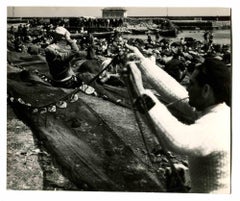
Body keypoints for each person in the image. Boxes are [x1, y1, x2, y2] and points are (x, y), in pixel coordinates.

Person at [124, 44, 231, 193]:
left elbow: (177, 140)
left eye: (191, 84)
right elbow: (175, 92)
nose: (187, 88)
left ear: (206, 90)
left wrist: (141, 92)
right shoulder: (220, 111)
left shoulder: (216, 125)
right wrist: (142, 61)